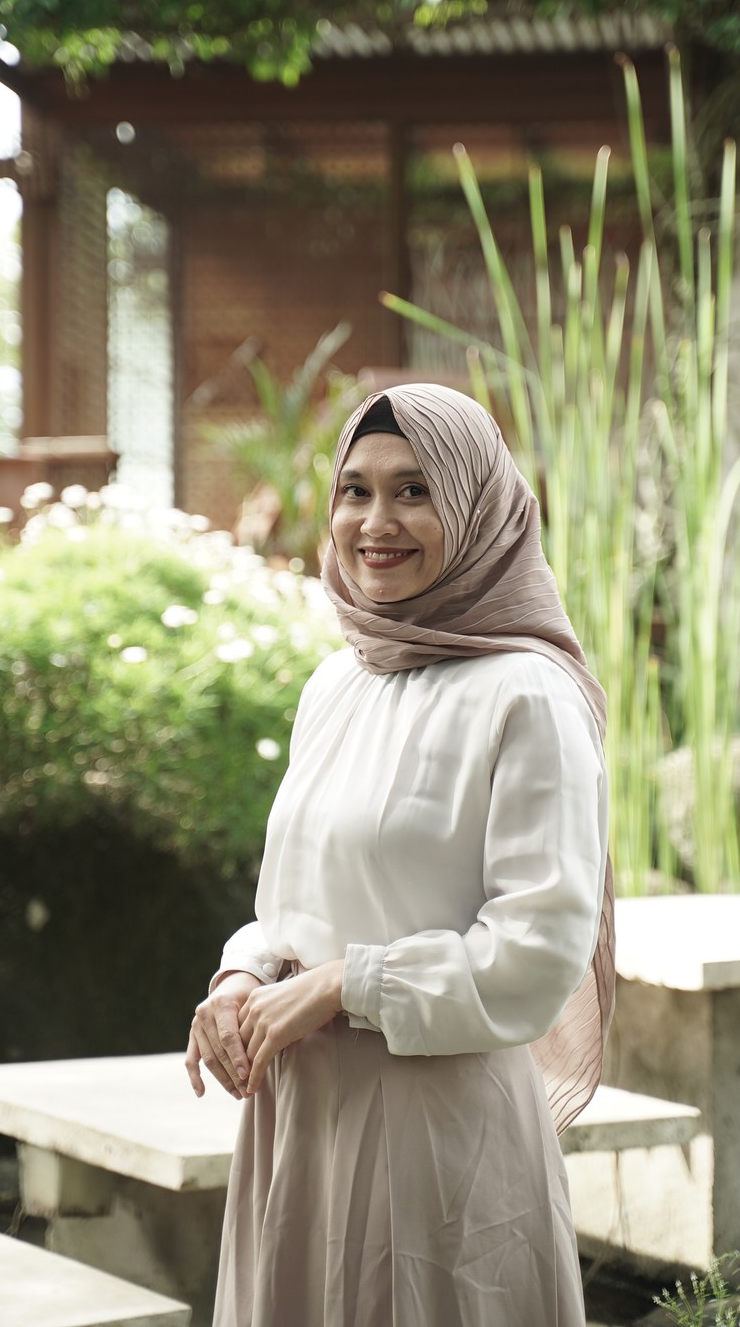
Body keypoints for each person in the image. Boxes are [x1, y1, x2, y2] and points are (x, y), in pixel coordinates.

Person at [186, 383, 613, 1327]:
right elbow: (294, 898)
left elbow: (537, 955)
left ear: (476, 507)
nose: (377, 522)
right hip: (298, 1122)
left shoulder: (528, 696)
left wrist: (344, 986)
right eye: (356, 491)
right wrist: (240, 975)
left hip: (436, 1138)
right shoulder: (338, 679)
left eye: (415, 490)